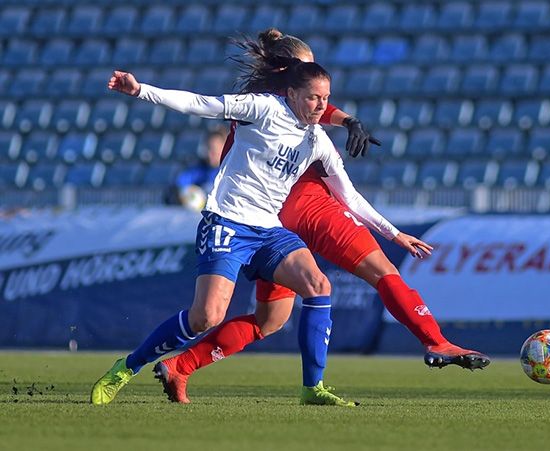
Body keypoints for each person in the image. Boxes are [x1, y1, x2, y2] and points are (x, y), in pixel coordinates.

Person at [151, 29, 491, 405]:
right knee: (381, 272)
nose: (315, 83)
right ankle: (435, 341)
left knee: (270, 320)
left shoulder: (260, 102)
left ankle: (181, 366)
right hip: (308, 208)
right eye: (306, 71)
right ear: (289, 75)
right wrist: (348, 122)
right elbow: (334, 152)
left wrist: (346, 120)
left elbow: (316, 107)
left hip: (269, 222)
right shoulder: (278, 106)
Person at [91, 59, 434, 407]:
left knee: (318, 286)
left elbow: (350, 197)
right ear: (292, 94)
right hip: (227, 221)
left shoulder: (317, 141)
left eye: (325, 98)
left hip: (269, 229)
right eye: (313, 97)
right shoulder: (263, 108)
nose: (320, 106)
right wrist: (140, 90)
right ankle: (127, 366)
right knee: (206, 317)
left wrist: (394, 235)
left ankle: (312, 388)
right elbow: (201, 103)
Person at [174, 127, 228, 211]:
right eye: (208, 149)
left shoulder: (230, 172)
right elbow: (180, 184)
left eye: (214, 150)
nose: (210, 154)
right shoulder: (199, 169)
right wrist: (186, 192)